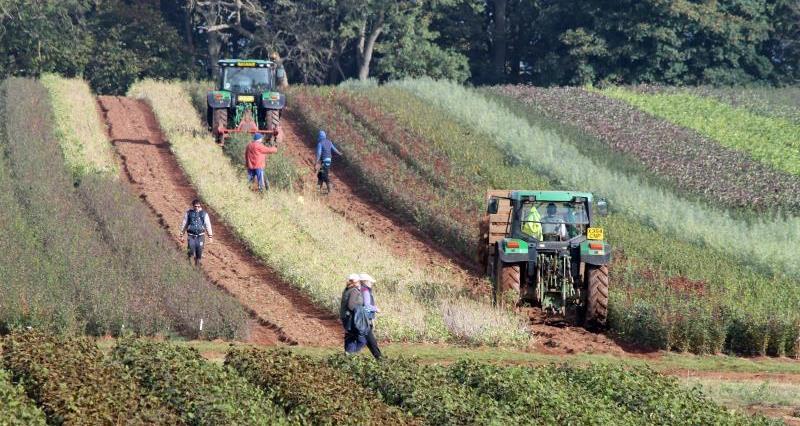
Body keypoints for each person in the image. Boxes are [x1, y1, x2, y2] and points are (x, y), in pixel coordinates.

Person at [355, 273, 382, 360]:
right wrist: (376, 309)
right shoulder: (365, 291)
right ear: (365, 282)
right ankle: (380, 360)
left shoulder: (356, 290)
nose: (371, 284)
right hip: (363, 321)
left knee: (358, 342)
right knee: (372, 342)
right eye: (370, 282)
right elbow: (367, 306)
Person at [179, 199, 213, 266]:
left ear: (200, 206)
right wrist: (181, 234)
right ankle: (189, 260)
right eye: (195, 206)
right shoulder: (189, 213)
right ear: (193, 206)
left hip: (200, 236)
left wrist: (210, 236)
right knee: (191, 249)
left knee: (199, 252)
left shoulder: (204, 214)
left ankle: (197, 266)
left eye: (198, 206)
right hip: (191, 235)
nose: (197, 208)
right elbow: (184, 224)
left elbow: (208, 225)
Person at [339, 273, 363, 354]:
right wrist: (359, 311)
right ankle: (351, 354)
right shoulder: (354, 290)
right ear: (357, 282)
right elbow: (351, 305)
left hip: (344, 316)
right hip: (350, 317)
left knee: (349, 336)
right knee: (356, 338)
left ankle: (348, 354)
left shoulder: (347, 289)